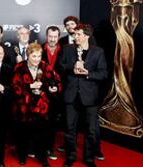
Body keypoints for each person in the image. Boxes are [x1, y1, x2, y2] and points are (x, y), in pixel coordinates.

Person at [61, 24, 107, 167]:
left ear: (87, 36)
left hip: (90, 97)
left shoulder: (98, 52)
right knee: (69, 129)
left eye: (79, 34)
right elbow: (60, 66)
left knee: (91, 131)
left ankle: (88, 158)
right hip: (71, 95)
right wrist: (72, 67)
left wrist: (88, 73)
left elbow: (103, 73)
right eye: (75, 34)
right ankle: (70, 157)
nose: (76, 37)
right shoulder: (68, 49)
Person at [12, 43, 61, 167]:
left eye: (39, 56)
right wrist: (29, 86)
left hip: (41, 107)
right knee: (23, 133)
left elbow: (57, 82)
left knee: (41, 134)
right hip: (24, 107)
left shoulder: (46, 66)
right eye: (34, 56)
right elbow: (15, 87)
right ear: (28, 56)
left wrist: (53, 88)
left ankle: (42, 157)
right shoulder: (20, 67)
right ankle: (22, 155)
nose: (37, 59)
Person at [42, 26, 65, 161]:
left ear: (58, 37)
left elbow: (66, 73)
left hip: (57, 94)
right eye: (50, 36)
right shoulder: (39, 48)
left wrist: (57, 87)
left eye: (55, 37)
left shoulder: (65, 50)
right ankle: (38, 147)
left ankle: (49, 148)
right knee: (39, 122)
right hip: (41, 93)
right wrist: (46, 87)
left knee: (52, 123)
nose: (52, 39)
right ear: (46, 36)